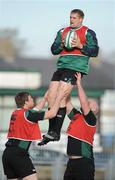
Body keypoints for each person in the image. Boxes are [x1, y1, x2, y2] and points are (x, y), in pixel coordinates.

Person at [38, 9, 99, 146]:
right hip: (61, 66)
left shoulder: (88, 32)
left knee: (62, 95)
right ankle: (51, 131)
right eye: (70, 17)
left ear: (81, 19)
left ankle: (56, 132)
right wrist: (62, 44)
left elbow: (95, 51)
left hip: (76, 68)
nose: (71, 20)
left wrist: (80, 45)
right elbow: (53, 50)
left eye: (75, 18)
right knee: (51, 96)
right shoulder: (62, 31)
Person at [2, 86, 71, 180]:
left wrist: (45, 98)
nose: (32, 99)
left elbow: (35, 110)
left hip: (7, 154)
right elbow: (52, 114)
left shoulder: (17, 112)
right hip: (19, 154)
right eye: (30, 98)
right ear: (26, 102)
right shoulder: (29, 114)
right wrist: (59, 98)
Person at [64, 72, 99, 180]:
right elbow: (67, 101)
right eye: (88, 101)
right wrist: (69, 84)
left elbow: (83, 103)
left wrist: (79, 83)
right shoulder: (77, 116)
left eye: (91, 103)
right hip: (71, 163)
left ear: (95, 110)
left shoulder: (91, 119)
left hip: (84, 163)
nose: (88, 102)